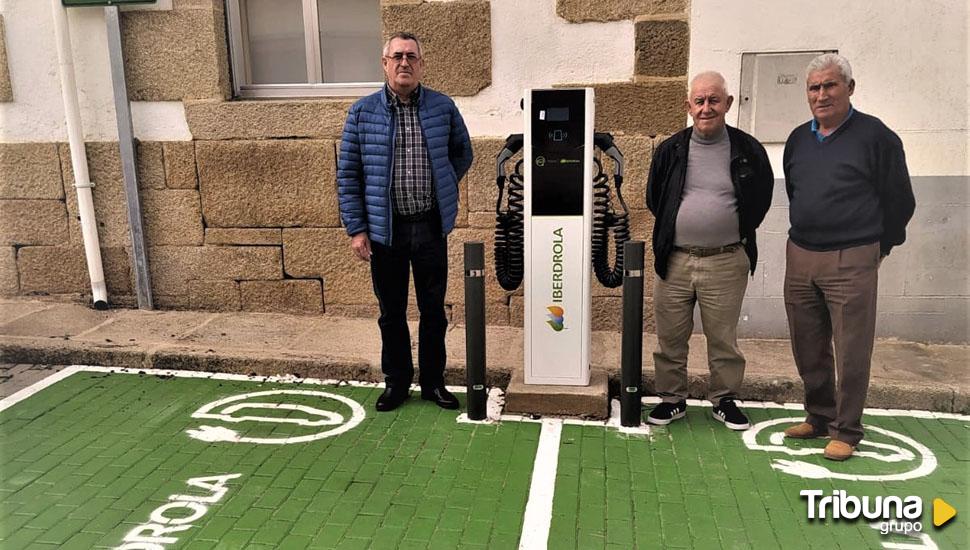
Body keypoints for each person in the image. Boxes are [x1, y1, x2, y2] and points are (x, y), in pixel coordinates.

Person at [782, 54, 914, 460]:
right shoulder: (798, 140)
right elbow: (794, 191)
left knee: (852, 347)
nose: (821, 95)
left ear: (850, 89)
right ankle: (818, 415)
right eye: (814, 88)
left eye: (830, 86)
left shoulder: (877, 137)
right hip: (801, 254)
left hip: (853, 256)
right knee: (808, 345)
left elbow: (900, 201)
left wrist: (880, 246)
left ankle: (847, 429)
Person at [337, 32, 473, 412]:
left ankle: (433, 383)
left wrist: (441, 184)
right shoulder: (362, 113)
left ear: (421, 64)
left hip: (430, 225)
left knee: (433, 311)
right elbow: (348, 174)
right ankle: (396, 383)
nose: (404, 63)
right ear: (384, 64)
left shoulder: (442, 108)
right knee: (391, 312)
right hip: (386, 230)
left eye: (411, 56)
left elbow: (463, 154)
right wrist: (357, 228)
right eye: (396, 56)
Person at [645, 71, 774, 430]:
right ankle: (672, 399)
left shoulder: (748, 150)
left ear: (728, 104)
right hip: (675, 259)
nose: (706, 108)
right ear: (688, 106)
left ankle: (725, 399)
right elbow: (655, 198)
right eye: (699, 101)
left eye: (714, 100)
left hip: (726, 259)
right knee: (670, 336)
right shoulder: (670, 150)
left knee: (723, 339)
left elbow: (760, 200)